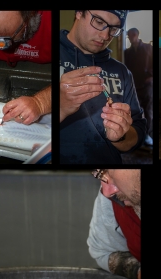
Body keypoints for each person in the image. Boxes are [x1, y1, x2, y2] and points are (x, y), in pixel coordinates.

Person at [59, 10, 147, 164]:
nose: (105, 36)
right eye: (99, 22)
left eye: (113, 29)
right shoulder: (48, 53)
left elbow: (138, 129)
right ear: (79, 13)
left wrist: (120, 136)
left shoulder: (122, 71)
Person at [87, 170, 141, 279]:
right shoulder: (113, 200)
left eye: (110, 174)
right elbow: (103, 252)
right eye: (99, 174)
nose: (107, 192)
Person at [125, 28, 153, 147]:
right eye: (129, 36)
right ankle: (139, 136)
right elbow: (126, 69)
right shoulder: (127, 53)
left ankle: (149, 135)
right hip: (134, 85)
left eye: (133, 35)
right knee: (135, 111)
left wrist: (152, 77)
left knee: (148, 110)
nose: (131, 38)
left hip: (147, 85)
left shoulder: (148, 48)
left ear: (137, 34)